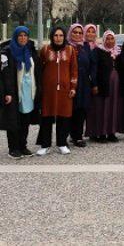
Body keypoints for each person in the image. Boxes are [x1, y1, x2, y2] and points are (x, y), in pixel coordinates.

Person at [36, 26, 78, 155]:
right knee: (46, 116)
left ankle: (62, 143)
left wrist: (73, 87)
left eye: (61, 35)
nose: (58, 38)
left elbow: (74, 70)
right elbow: (39, 69)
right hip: (48, 90)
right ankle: (45, 144)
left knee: (64, 116)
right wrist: (40, 88)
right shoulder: (45, 50)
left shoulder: (70, 50)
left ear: (64, 37)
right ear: (51, 37)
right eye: (56, 35)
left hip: (65, 90)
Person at [1, 26, 41, 159]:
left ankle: (22, 146)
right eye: (20, 35)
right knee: (13, 120)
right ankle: (13, 148)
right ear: (15, 37)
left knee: (25, 120)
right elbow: (5, 74)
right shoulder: (7, 52)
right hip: (14, 91)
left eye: (25, 35)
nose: (23, 38)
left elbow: (36, 71)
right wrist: (7, 92)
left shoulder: (30, 51)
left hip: (29, 91)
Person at [87, 30, 123, 143]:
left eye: (112, 38)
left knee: (113, 108)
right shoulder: (98, 51)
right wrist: (94, 84)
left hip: (115, 85)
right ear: (103, 40)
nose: (110, 41)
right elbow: (93, 69)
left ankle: (111, 132)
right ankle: (100, 133)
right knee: (101, 109)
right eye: (107, 38)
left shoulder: (118, 52)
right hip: (102, 85)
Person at [68, 23, 97, 148]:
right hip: (70, 82)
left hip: (84, 82)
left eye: (80, 33)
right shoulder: (66, 47)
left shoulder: (85, 47)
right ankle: (68, 135)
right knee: (70, 109)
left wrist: (92, 81)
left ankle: (78, 136)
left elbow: (92, 64)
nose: (78, 35)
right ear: (70, 33)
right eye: (75, 32)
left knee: (81, 109)